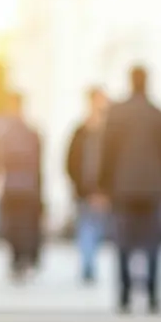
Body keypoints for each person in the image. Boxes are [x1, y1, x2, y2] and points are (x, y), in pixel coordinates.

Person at [98, 65, 161, 314]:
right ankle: (153, 296)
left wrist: (103, 183)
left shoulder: (116, 113)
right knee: (153, 242)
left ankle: (124, 295)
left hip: (123, 187)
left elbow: (106, 152)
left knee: (123, 241)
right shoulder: (160, 114)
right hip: (154, 187)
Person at [0, 91, 43, 282]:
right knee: (24, 226)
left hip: (12, 186)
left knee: (14, 226)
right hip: (28, 187)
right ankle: (23, 259)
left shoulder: (4, 132)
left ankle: (17, 260)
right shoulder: (31, 131)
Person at [65, 87, 108, 284]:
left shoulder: (108, 131)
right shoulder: (80, 131)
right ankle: (88, 266)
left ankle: (89, 264)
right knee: (87, 228)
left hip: (102, 190)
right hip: (84, 189)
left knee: (95, 229)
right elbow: (70, 162)